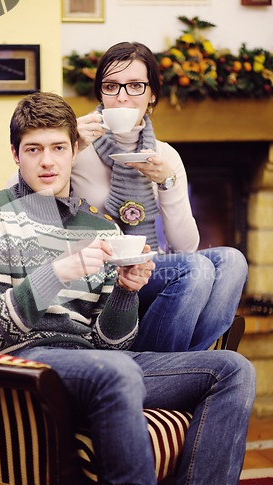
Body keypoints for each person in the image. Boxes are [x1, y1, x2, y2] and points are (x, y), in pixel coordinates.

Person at [0, 92, 256, 485]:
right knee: (118, 369)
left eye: (58, 147)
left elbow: (111, 342)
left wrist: (127, 292)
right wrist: (59, 271)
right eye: (33, 149)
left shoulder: (102, 229)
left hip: (100, 365)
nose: (47, 161)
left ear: (74, 150)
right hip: (26, 364)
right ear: (15, 154)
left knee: (233, 369)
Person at [71, 41, 248, 352]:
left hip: (152, 272)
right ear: (100, 92)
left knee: (233, 261)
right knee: (197, 269)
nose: (122, 96)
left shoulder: (164, 155)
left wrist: (167, 183)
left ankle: (176, 361)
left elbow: (186, 247)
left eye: (136, 86)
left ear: (152, 94)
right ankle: (170, 367)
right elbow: (22, 192)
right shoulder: (76, 144)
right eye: (111, 86)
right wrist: (69, 147)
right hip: (100, 276)